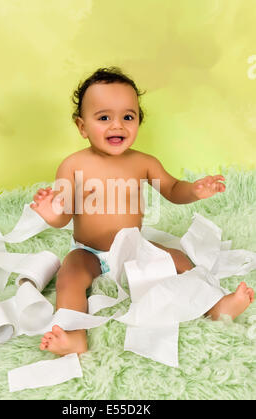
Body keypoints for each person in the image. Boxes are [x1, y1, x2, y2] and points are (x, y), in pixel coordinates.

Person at [30, 67, 254, 356]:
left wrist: (195, 190)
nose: (117, 126)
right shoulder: (73, 165)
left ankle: (215, 306)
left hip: (134, 246)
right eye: (103, 117)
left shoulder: (143, 163)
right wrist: (51, 213)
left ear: (138, 121)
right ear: (82, 126)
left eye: (128, 117)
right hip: (89, 251)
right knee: (69, 277)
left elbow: (173, 190)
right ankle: (73, 335)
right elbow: (64, 215)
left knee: (180, 261)